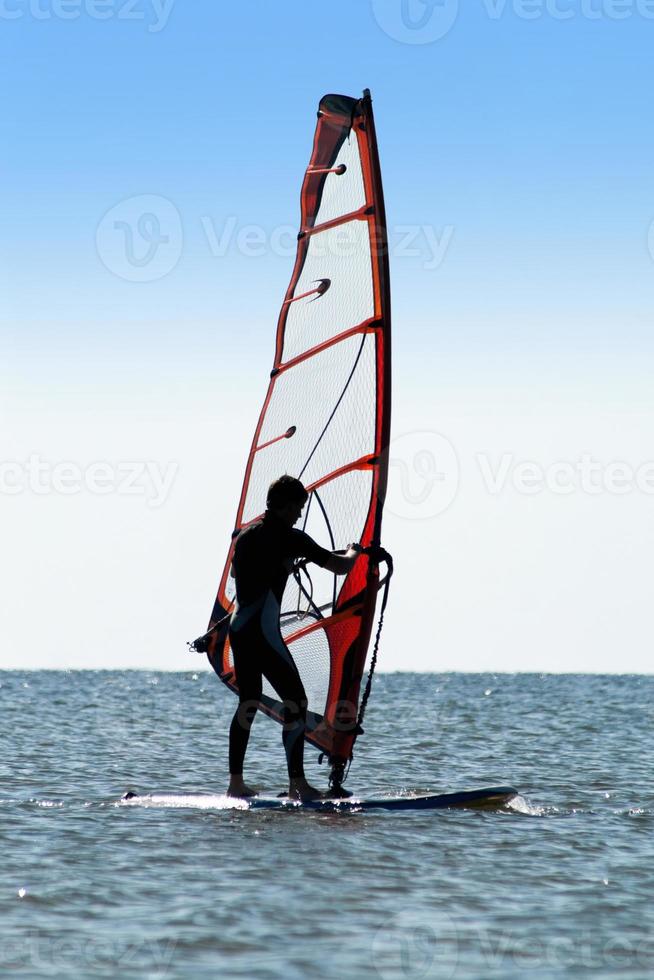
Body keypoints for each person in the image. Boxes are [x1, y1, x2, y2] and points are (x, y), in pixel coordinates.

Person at [227, 475, 361, 801]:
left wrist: (281, 564)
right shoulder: (291, 538)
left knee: (248, 700)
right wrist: (354, 551)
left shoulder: (245, 536)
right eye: (298, 508)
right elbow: (340, 566)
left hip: (239, 629)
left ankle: (236, 783)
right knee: (297, 703)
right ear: (286, 507)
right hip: (262, 631)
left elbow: (237, 575)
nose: (299, 515)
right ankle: (297, 785)